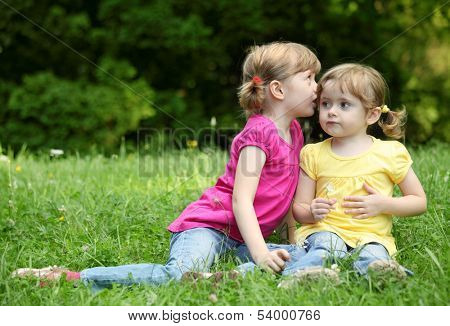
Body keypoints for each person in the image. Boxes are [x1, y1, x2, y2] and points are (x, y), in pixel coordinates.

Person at [13, 41, 321, 290]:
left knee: (300, 255)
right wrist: (260, 254)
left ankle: (228, 277)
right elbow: (241, 200)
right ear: (279, 90)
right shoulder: (259, 135)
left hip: (243, 237)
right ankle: (75, 277)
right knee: (179, 274)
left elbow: (285, 198)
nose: (317, 86)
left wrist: (289, 242)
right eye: (309, 78)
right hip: (209, 228)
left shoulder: (293, 132)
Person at [278, 63, 427, 288]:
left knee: (374, 254)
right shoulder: (313, 153)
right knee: (327, 246)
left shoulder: (390, 153)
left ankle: (380, 275)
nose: (332, 111)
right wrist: (311, 212)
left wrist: (384, 204)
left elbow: (419, 202)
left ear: (372, 114)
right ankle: (303, 275)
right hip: (324, 230)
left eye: (344, 104)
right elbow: (299, 208)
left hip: (370, 234)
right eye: (325, 103)